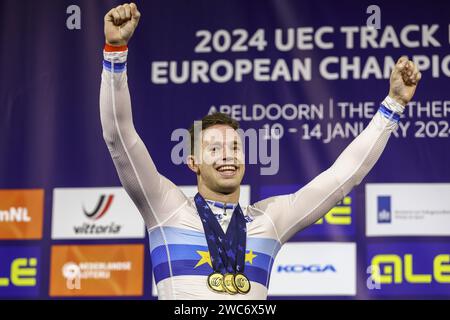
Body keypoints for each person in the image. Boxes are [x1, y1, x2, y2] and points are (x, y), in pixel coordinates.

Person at [100, 3, 421, 300]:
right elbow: (119, 138)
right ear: (193, 162)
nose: (227, 155)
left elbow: (342, 177)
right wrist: (116, 51)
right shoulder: (165, 208)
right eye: (214, 148)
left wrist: (392, 105)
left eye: (235, 146)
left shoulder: (270, 220)